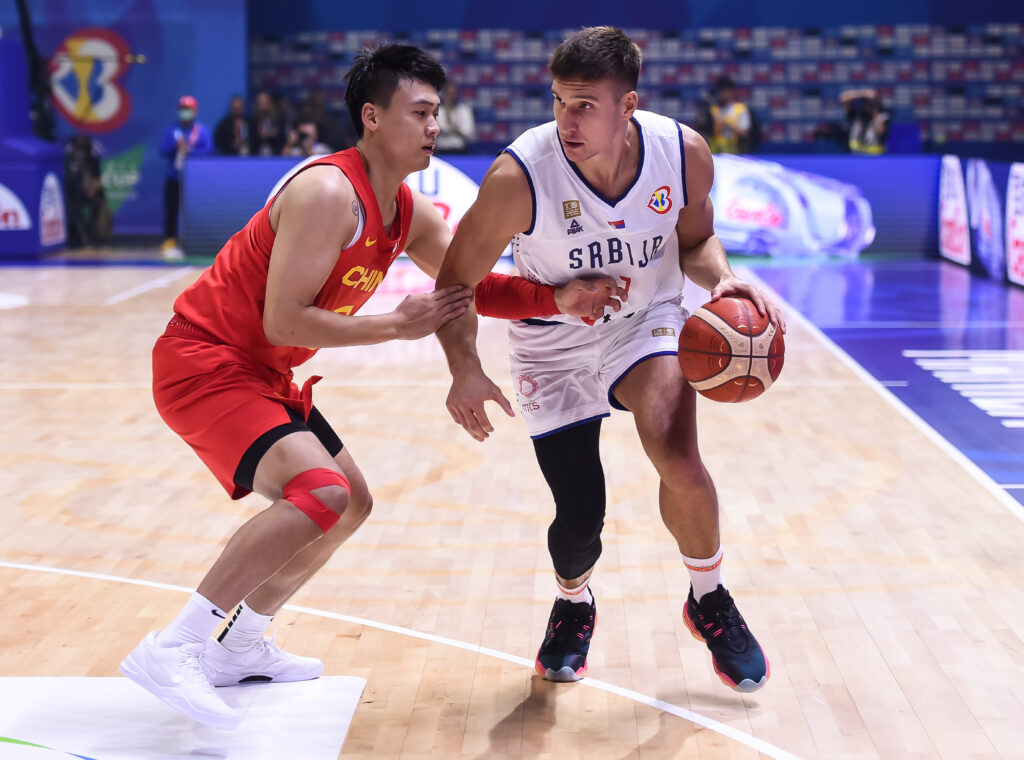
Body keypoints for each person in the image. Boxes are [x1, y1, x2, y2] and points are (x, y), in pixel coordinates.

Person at [120, 42, 622, 730]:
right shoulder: (327, 191)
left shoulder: (407, 211)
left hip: (261, 370)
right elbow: (284, 315)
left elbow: (465, 283)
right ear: (373, 118)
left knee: (350, 502)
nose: (434, 126)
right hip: (204, 361)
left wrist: (556, 297)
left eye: (437, 113)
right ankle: (173, 647)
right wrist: (395, 325)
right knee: (319, 492)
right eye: (419, 112)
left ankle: (239, 643)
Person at [435, 26, 787, 693]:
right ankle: (574, 602)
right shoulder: (520, 175)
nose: (567, 120)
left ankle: (708, 596)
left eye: (586, 105)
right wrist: (465, 367)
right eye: (560, 102)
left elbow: (698, 239)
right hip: (551, 339)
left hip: (645, 321)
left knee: (677, 454)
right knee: (580, 518)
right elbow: (456, 280)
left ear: (629, 106)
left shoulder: (681, 155)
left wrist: (722, 279)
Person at [159, 95, 213, 260]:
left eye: (188, 109)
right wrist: (175, 147)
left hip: (194, 181)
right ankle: (170, 241)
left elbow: (209, 151)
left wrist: (190, 151)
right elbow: (163, 150)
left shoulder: (202, 131)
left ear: (195, 111)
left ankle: (194, 242)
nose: (185, 112)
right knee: (171, 209)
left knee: (193, 211)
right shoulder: (172, 130)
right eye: (182, 109)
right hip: (174, 177)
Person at [708, 76, 751, 154]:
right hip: (714, 153)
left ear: (732, 91)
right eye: (721, 89)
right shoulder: (712, 109)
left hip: (734, 152)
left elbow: (744, 133)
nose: (724, 92)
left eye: (727, 89)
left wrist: (725, 123)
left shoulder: (740, 109)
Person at [840, 87, 890, 155]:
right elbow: (843, 98)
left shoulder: (882, 116)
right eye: (866, 102)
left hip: (875, 157)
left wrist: (875, 111)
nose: (868, 105)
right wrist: (863, 94)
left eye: (870, 103)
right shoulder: (855, 115)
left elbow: (881, 132)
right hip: (856, 156)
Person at [435, 81, 476, 153]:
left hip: (460, 150)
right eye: (448, 94)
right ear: (444, 94)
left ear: (456, 94)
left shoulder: (464, 110)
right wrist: (455, 130)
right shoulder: (438, 110)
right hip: (441, 151)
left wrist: (456, 130)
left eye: (452, 94)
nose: (450, 97)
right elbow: (438, 130)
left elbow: (468, 132)